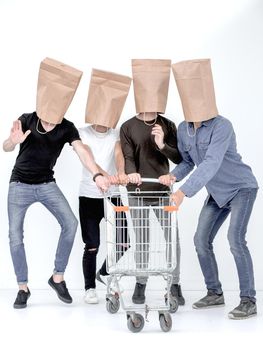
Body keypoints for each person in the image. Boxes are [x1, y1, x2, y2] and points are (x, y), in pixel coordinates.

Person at [3, 58, 109, 309]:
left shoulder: (66, 128)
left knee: (70, 224)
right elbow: (6, 146)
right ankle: (22, 287)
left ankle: (57, 277)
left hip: (46, 184)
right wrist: (12, 141)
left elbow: (82, 151)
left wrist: (96, 174)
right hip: (19, 184)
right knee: (15, 236)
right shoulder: (27, 119)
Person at [160, 58, 258, 320]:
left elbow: (212, 163)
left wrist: (182, 193)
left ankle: (248, 300)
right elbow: (189, 163)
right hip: (216, 194)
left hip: (241, 189)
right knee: (201, 240)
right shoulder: (183, 129)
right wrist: (172, 177)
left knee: (236, 241)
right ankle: (215, 293)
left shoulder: (222, 126)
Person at [120, 59, 184, 305]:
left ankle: (174, 283)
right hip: (136, 191)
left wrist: (162, 145)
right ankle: (141, 283)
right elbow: (127, 156)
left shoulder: (167, 125)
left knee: (172, 239)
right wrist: (131, 172)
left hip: (162, 192)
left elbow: (179, 158)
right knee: (143, 239)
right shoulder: (128, 126)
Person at [79, 69, 131, 304]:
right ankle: (89, 287)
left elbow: (119, 154)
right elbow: (87, 157)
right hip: (89, 195)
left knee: (124, 241)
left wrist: (120, 172)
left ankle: (105, 272)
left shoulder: (116, 133)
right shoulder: (81, 133)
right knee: (92, 244)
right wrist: (102, 174)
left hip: (112, 196)